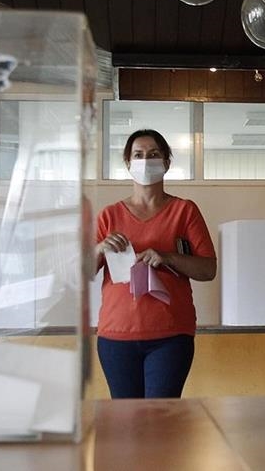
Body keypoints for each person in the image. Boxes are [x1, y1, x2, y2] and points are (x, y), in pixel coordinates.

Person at [94, 129, 216, 399]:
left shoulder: (185, 211)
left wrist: (168, 257)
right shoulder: (109, 215)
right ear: (128, 163)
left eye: (153, 154)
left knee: (161, 416)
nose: (145, 161)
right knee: (125, 417)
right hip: (116, 335)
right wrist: (100, 248)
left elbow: (208, 269)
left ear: (166, 163)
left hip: (171, 335)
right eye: (138, 155)